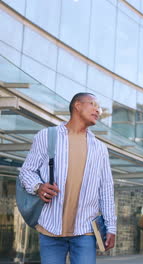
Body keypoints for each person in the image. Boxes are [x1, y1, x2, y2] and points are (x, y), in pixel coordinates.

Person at [19, 92, 116, 264]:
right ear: (77, 105)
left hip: (85, 230)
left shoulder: (100, 148)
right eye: (93, 104)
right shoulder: (47, 136)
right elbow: (26, 171)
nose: (98, 111)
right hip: (50, 229)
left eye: (99, 107)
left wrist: (111, 227)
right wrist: (38, 186)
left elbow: (106, 189)